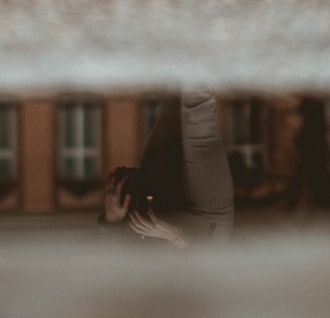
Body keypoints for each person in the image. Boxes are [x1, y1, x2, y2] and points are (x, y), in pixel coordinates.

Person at [98, 92, 234, 248]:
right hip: (204, 221)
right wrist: (177, 236)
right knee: (198, 111)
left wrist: (112, 220)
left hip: (156, 200)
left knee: (173, 100)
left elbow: (121, 258)